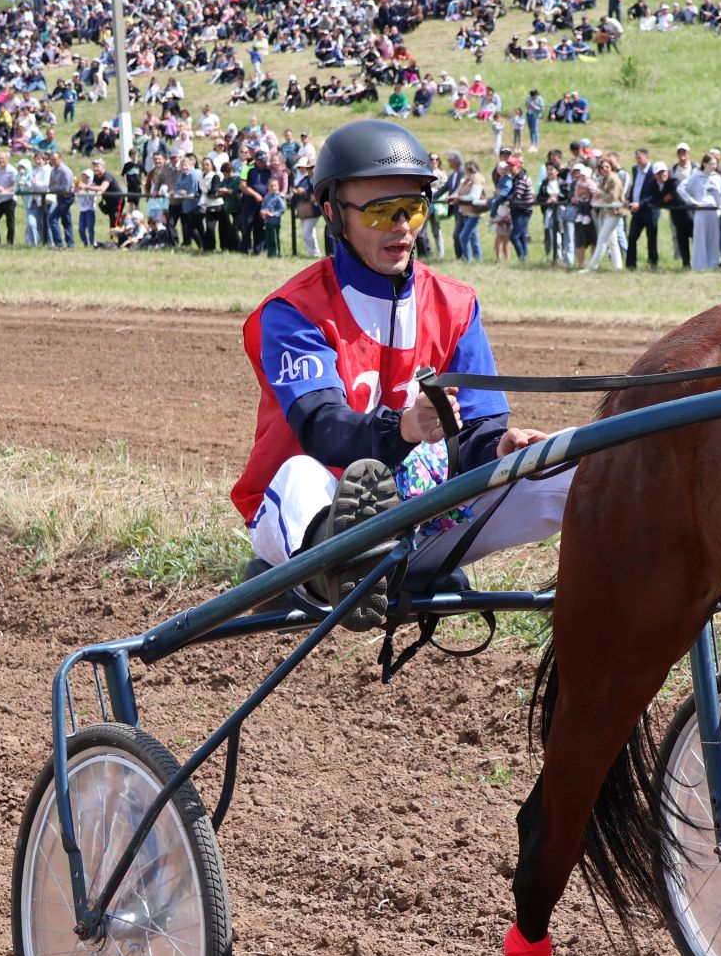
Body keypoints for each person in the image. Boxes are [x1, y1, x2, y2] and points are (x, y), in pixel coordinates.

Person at [230, 118, 561, 630]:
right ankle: (338, 568)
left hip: (419, 523)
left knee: (573, 468)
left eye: (413, 208)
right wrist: (404, 428)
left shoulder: (455, 304)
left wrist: (501, 446)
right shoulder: (292, 311)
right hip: (302, 525)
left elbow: (474, 434)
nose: (401, 226)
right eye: (381, 211)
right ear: (332, 213)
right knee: (299, 474)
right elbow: (323, 428)